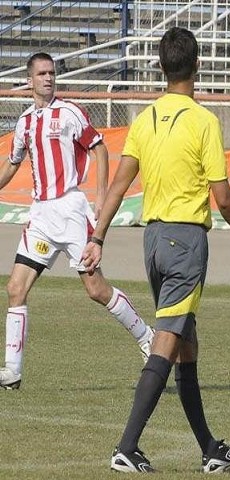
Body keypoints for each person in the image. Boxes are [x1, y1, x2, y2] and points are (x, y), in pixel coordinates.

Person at [82, 27, 230, 473]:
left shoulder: (145, 119)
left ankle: (209, 449)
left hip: (154, 242)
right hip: (186, 242)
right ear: (197, 66)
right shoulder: (204, 122)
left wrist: (97, 237)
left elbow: (120, 185)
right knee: (166, 341)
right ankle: (126, 444)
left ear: (161, 68)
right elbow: (222, 196)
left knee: (187, 343)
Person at [0, 52, 154, 390]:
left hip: (71, 211)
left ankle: (147, 337)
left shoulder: (69, 112)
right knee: (15, 288)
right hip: (41, 215)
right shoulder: (25, 122)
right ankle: (12, 370)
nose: (48, 78)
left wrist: (99, 196)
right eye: (41, 73)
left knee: (95, 289)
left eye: (52, 72)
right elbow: (13, 162)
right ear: (29, 80)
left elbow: (99, 148)